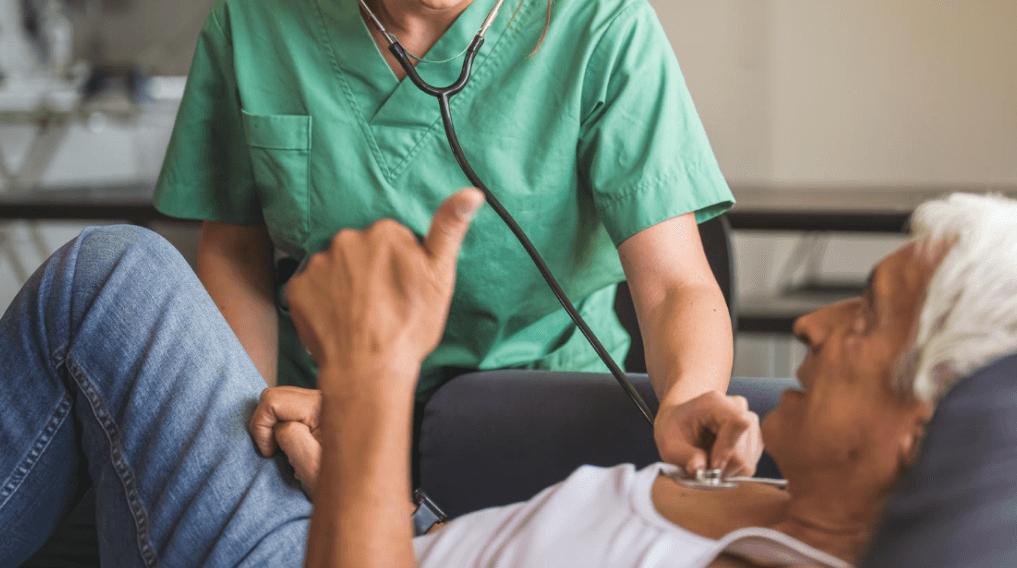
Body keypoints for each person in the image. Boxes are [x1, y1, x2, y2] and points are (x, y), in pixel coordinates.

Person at [153, 0, 741, 474]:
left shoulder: (604, 31)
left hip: (537, 425)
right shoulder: (256, 14)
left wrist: (690, 396)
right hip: (324, 420)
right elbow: (234, 251)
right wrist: (262, 425)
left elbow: (671, 286)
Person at [3, 193, 1016, 568]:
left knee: (109, 281)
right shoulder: (779, 503)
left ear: (921, 434)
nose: (809, 319)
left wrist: (375, 378)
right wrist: (369, 472)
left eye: (867, 318)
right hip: (392, 525)